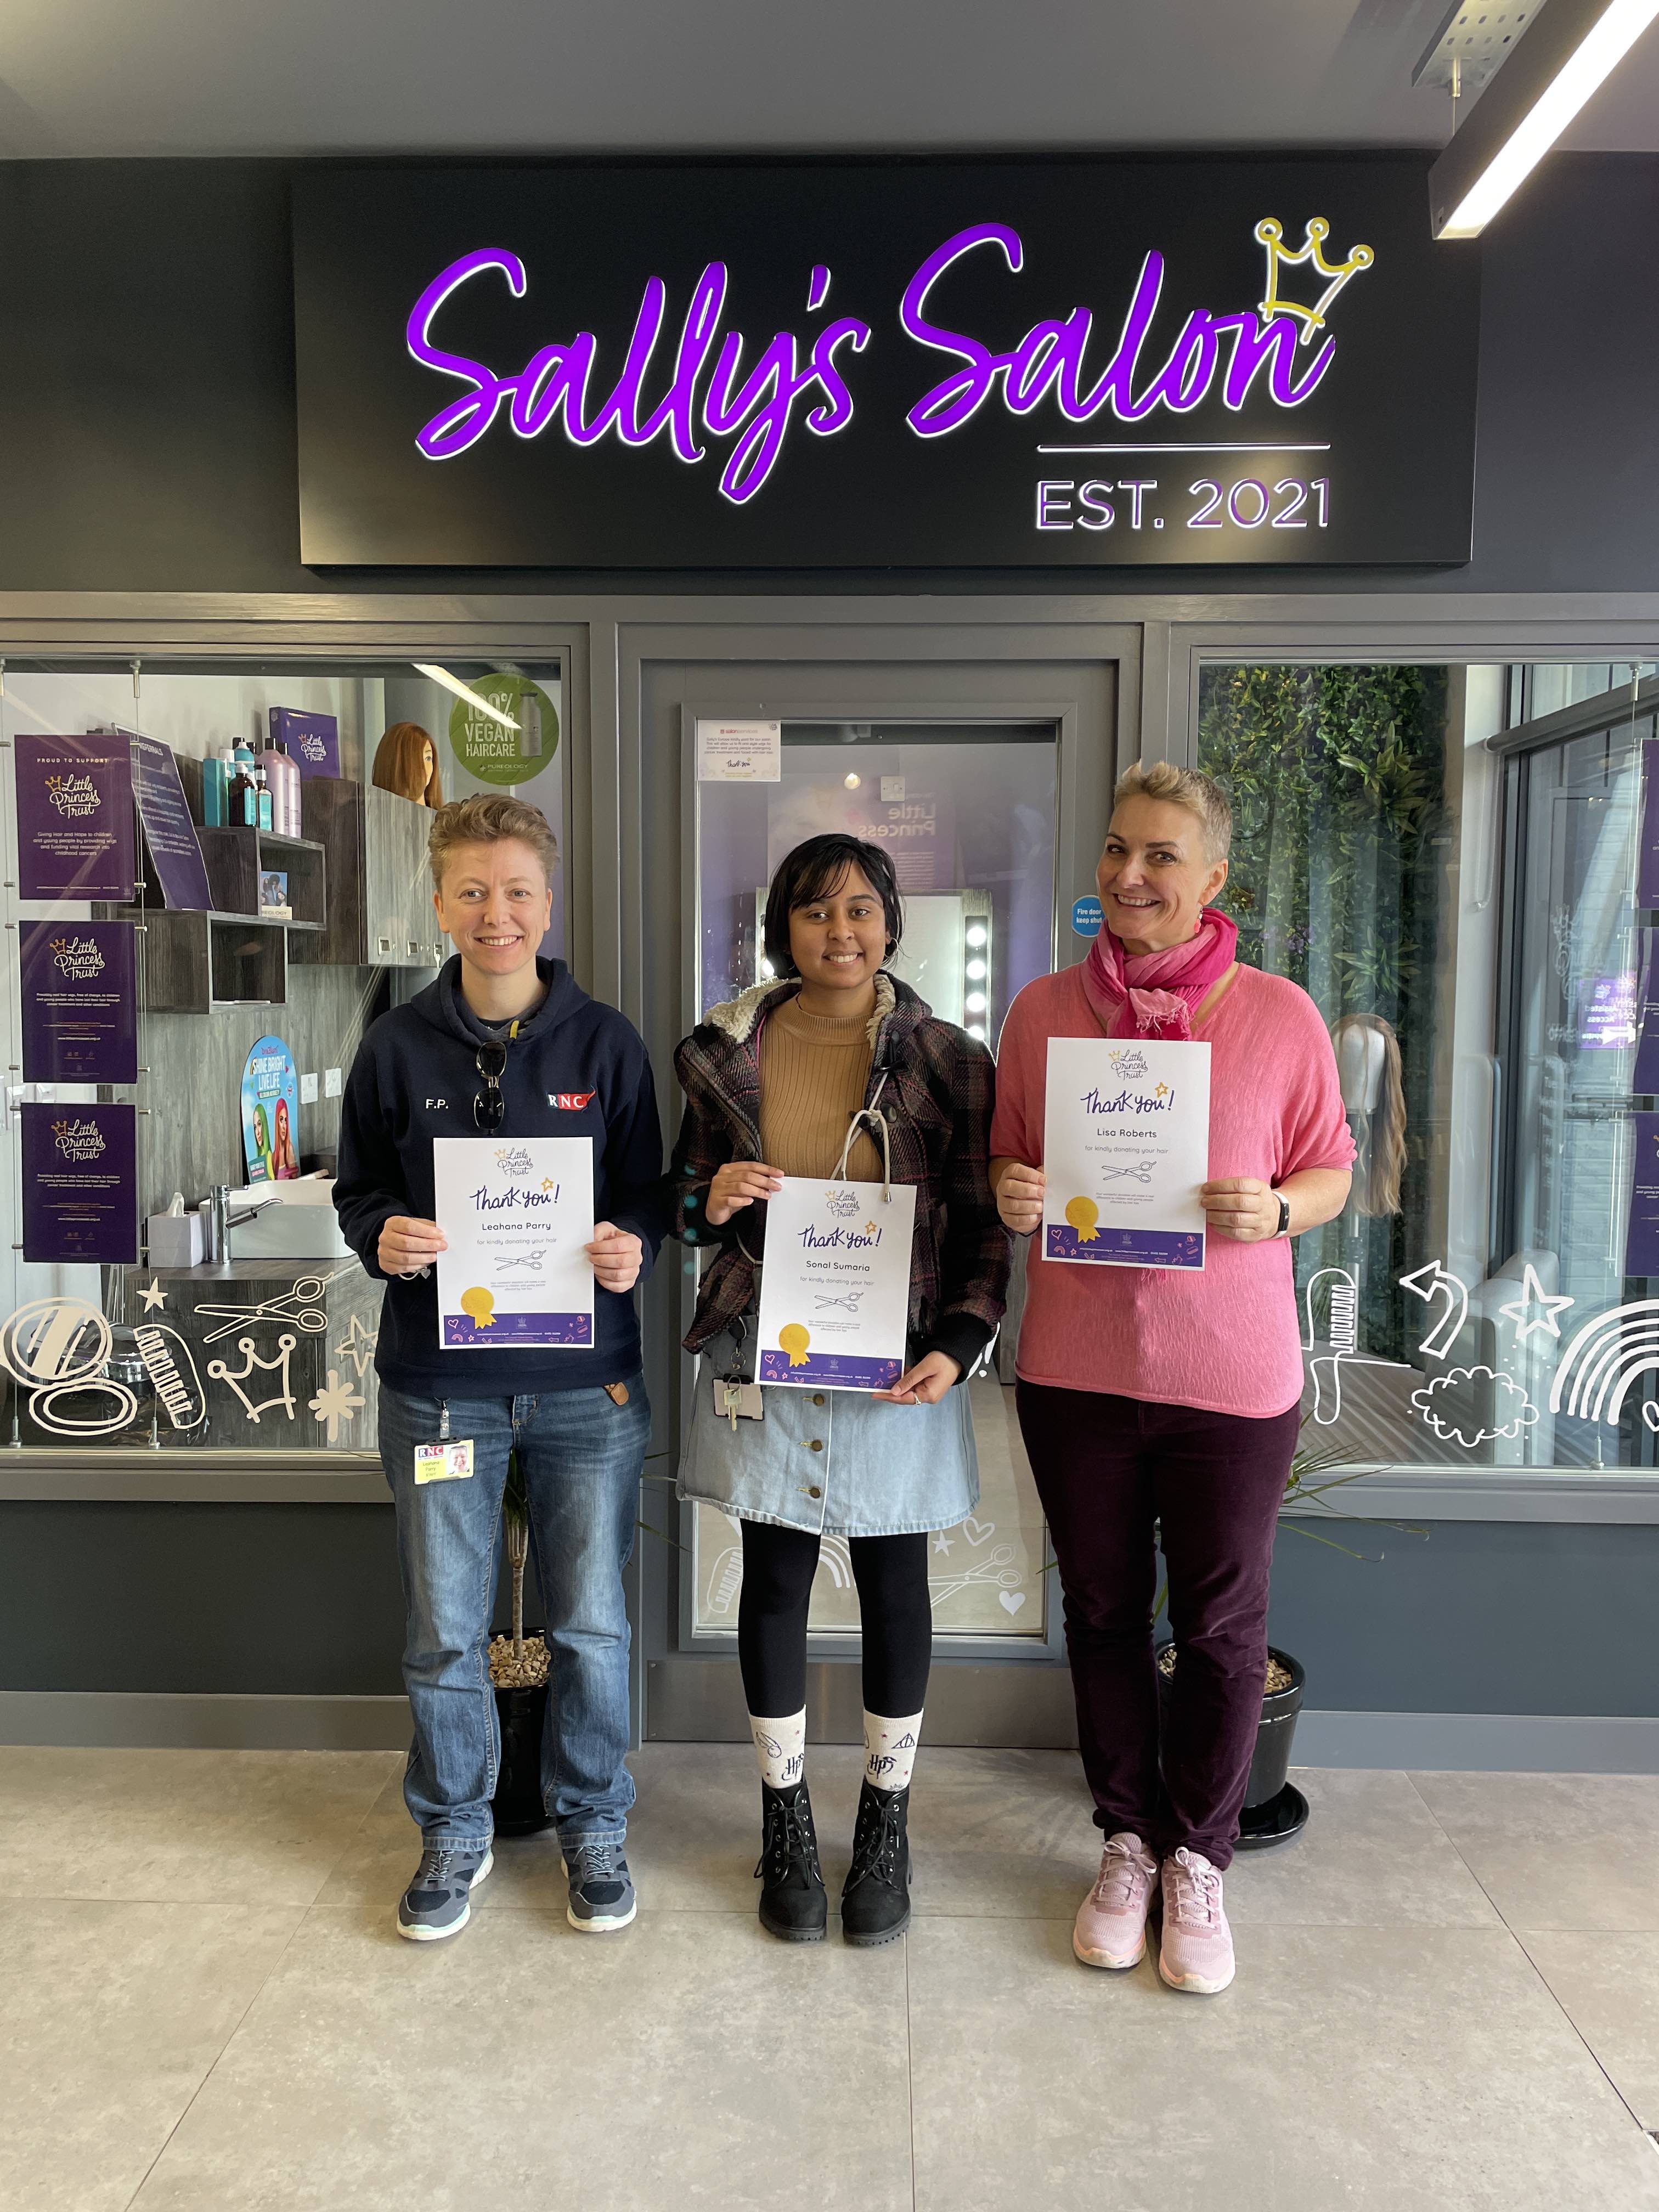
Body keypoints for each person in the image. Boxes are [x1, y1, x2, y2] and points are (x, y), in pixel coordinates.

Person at [989, 762, 1353, 1996]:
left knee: (1218, 1627)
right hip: (1078, 1370)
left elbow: (1332, 1170)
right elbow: (1009, 1160)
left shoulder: (1279, 1016)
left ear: (1213, 881)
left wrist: (1279, 1210)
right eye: (1113, 849)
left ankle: (1201, 1856)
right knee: (1099, 1614)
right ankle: (1127, 1843)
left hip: (1233, 1380)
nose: (1129, 876)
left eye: (1159, 857)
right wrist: (1013, 1192)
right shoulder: (1042, 1013)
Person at [334, 792, 667, 1943]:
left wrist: (635, 1243)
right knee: (443, 1626)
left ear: (547, 900)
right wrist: (380, 1233)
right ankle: (455, 1829)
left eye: (516, 890)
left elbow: (645, 1193)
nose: (496, 913)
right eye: (472, 891)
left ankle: (594, 1820)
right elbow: (357, 1189)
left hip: (588, 1390)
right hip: (439, 1385)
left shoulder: (606, 1042)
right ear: (439, 901)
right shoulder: (393, 1046)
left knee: (589, 1626)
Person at [670, 833, 1009, 1946]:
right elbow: (678, 1202)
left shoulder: (951, 1060)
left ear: (892, 923)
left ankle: (884, 1822)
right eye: (816, 913)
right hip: (766, 1353)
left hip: (897, 1358)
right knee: (771, 1580)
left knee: (892, 1580)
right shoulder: (722, 1053)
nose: (841, 932)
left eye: (861, 909)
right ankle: (781, 1822)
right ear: (784, 930)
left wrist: (961, 1338)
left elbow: (980, 1226)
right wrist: (710, 1196)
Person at [372, 720, 443, 806]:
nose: (424, 767)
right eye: (415, 759)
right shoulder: (375, 815)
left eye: (428, 758)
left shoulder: (444, 818)